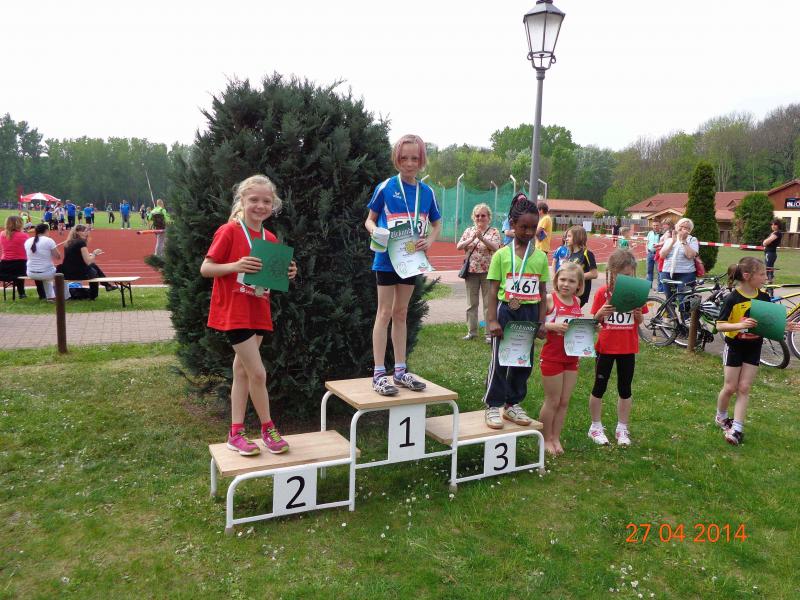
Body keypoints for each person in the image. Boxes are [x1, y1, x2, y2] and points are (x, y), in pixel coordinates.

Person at [200, 174, 298, 456]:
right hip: (235, 313)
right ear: (242, 200)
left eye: (266, 201)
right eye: (254, 199)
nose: (260, 205)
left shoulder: (269, 238)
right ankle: (268, 428)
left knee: (242, 371)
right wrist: (235, 265)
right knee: (257, 372)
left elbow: (270, 278)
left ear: (273, 204)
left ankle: (235, 432)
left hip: (258, 310)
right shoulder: (229, 231)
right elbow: (206, 268)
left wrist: (288, 272)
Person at [365, 134, 442, 396]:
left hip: (410, 261)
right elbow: (369, 219)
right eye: (404, 158)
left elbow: (436, 223)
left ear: (422, 161)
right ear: (396, 159)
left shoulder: (427, 192)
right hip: (387, 260)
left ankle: (400, 370)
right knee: (384, 312)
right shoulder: (386, 187)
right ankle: (378, 373)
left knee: (401, 312)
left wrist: (429, 240)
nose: (409, 163)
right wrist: (375, 231)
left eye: (415, 159)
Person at [715, 257, 800, 445]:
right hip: (734, 347)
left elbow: (767, 322)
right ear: (747, 276)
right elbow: (719, 325)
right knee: (730, 388)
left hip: (754, 347)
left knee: (744, 387)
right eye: (762, 274)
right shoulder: (732, 299)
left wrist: (784, 325)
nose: (765, 278)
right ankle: (721, 416)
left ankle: (737, 429)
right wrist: (740, 325)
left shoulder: (764, 297)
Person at [483, 198, 549, 429]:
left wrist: (542, 321)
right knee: (500, 361)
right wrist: (492, 320)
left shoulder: (540, 257)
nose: (529, 232)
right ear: (512, 224)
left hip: (530, 313)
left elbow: (543, 291)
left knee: (523, 361)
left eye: (533, 227)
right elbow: (493, 291)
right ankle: (493, 404)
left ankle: (512, 404)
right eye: (524, 227)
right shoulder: (501, 255)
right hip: (506, 312)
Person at [587, 249, 648, 446]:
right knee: (599, 387)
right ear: (611, 272)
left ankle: (622, 428)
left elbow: (640, 320)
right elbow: (595, 321)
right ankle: (595, 426)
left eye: (628, 275)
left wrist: (638, 316)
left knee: (625, 388)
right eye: (620, 275)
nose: (624, 279)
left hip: (627, 348)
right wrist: (600, 314)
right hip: (605, 348)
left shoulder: (637, 293)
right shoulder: (602, 293)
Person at [539, 262, 585, 455]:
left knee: (564, 401)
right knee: (553, 400)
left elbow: (577, 328)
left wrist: (589, 328)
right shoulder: (550, 299)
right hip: (552, 357)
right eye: (563, 279)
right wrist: (552, 326)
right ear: (556, 280)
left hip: (571, 358)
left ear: (579, 285)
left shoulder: (577, 302)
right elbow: (537, 325)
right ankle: (544, 439)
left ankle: (555, 437)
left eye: (571, 281)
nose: (566, 284)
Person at [456, 203, 501, 343]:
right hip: (471, 272)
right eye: (477, 215)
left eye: (483, 215)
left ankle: (489, 333)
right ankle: (472, 332)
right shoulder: (469, 231)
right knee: (471, 303)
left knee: (489, 304)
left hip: (489, 272)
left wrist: (482, 238)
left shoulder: (494, 232)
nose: (480, 218)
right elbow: (459, 246)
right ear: (473, 217)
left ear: (488, 217)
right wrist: (472, 238)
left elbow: (496, 248)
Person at [58, 225, 117, 299]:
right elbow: (88, 262)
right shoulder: (81, 243)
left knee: (93, 266)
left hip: (67, 272)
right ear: (77, 232)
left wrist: (89, 255)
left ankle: (107, 285)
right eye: (84, 231)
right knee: (93, 270)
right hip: (77, 273)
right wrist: (94, 254)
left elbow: (75, 257)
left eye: (87, 231)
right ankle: (94, 294)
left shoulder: (68, 243)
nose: (86, 233)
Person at [659, 217, 699, 317]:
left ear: (690, 230)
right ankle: (671, 321)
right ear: (677, 227)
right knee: (669, 299)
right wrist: (673, 241)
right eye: (681, 226)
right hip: (667, 272)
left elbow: (690, 255)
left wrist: (683, 241)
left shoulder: (692, 240)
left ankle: (686, 322)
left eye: (687, 228)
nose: (683, 229)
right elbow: (662, 255)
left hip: (686, 274)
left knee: (684, 300)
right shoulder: (670, 239)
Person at [564, 225, 598, 308]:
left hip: (580, 292)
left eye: (569, 236)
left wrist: (575, 277)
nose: (566, 239)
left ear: (577, 237)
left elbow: (594, 274)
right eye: (566, 236)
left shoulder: (587, 253)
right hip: (570, 290)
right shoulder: (570, 254)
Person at [24, 223, 60, 301]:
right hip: (45, 273)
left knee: (47, 273)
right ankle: (65, 296)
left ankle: (50, 297)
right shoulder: (49, 240)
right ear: (46, 230)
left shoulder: (28, 241)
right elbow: (58, 257)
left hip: (30, 273)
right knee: (62, 273)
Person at [0, 216, 29, 299]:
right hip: (20, 265)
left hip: (4, 265)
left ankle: (22, 293)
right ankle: (21, 293)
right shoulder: (24, 236)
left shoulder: (2, 234)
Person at [655, 219, 673, 293]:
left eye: (664, 224)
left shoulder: (669, 233)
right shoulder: (666, 232)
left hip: (663, 253)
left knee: (661, 270)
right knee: (660, 270)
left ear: (669, 225)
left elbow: (666, 242)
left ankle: (662, 288)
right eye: (662, 224)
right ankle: (661, 288)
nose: (663, 226)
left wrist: (658, 244)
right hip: (660, 252)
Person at [762, 219, 782, 284]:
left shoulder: (777, 233)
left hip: (770, 253)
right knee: (769, 269)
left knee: (768, 269)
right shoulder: (774, 233)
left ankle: (769, 285)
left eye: (775, 224)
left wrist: (764, 242)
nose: (773, 226)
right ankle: (769, 285)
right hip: (769, 253)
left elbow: (766, 242)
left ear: (778, 225)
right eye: (772, 224)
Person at [645, 220, 662, 289]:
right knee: (649, 271)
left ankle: (660, 288)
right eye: (654, 225)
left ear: (660, 226)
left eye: (657, 225)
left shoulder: (662, 234)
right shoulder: (650, 233)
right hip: (650, 254)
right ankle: (648, 286)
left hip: (658, 255)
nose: (655, 227)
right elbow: (647, 242)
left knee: (659, 271)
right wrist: (647, 250)